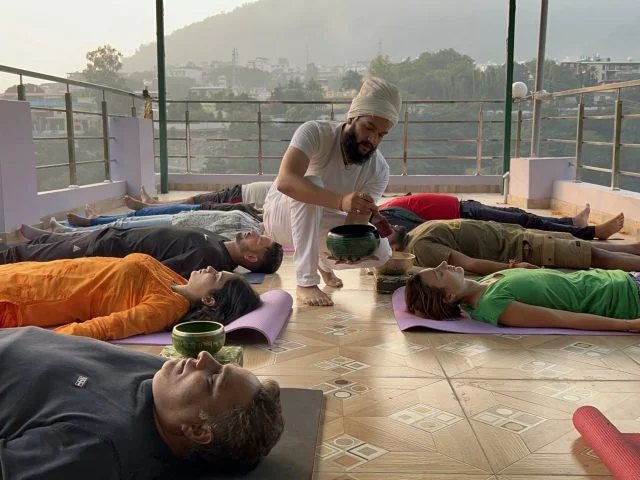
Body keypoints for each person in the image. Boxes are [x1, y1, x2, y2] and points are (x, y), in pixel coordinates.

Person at [0, 327, 283, 477]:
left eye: (212, 380)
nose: (203, 358)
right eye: (219, 365)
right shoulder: (164, 381)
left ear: (197, 430)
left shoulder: (100, 449)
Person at [263, 76, 402, 306]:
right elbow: (286, 181)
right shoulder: (315, 132)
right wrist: (340, 201)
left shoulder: (378, 170)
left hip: (320, 223)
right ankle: (306, 282)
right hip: (280, 216)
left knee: (381, 252)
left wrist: (350, 248)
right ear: (351, 118)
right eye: (368, 128)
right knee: (311, 183)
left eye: (381, 135)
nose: (372, 139)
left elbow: (353, 223)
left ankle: (323, 263)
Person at [0, 253, 261, 339]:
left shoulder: (164, 309)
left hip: (24, 299)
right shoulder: (177, 281)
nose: (211, 268)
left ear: (209, 299)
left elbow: (105, 328)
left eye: (216, 276)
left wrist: (39, 341)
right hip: (37, 272)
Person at [404, 261, 640, 332]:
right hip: (628, 297)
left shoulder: (487, 280)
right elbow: (560, 319)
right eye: (439, 273)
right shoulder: (492, 305)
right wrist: (629, 325)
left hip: (620, 277)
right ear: (448, 296)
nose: (443, 264)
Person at [4, 225, 283, 277]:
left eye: (259, 240)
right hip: (110, 235)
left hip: (101, 250)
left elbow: (154, 271)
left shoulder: (210, 258)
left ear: (251, 257)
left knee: (19, 257)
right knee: (37, 245)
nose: (254, 232)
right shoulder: (220, 243)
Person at [404, 218, 640, 275]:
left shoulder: (415, 232)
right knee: (594, 256)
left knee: (584, 247)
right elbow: (469, 264)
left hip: (519, 235)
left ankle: (635, 249)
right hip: (522, 249)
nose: (392, 225)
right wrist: (512, 267)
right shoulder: (420, 247)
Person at [379, 193, 625, 240]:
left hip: (464, 205)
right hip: (465, 216)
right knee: (527, 224)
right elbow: (414, 229)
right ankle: (591, 232)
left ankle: (572, 223)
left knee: (522, 215)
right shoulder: (383, 219)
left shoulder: (382, 208)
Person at [46, 208, 263, 239]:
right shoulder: (251, 220)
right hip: (179, 219)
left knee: (121, 227)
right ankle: (77, 229)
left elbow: (214, 233)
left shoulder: (249, 230)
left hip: (177, 227)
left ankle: (68, 234)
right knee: (125, 222)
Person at [66, 201, 263, 227]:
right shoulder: (254, 217)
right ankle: (97, 219)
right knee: (141, 214)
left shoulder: (254, 225)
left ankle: (92, 222)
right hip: (201, 211)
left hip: (190, 219)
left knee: (134, 221)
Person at [124, 182, 273, 210]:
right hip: (240, 191)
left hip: (240, 198)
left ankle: (147, 207)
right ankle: (152, 204)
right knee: (193, 201)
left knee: (192, 203)